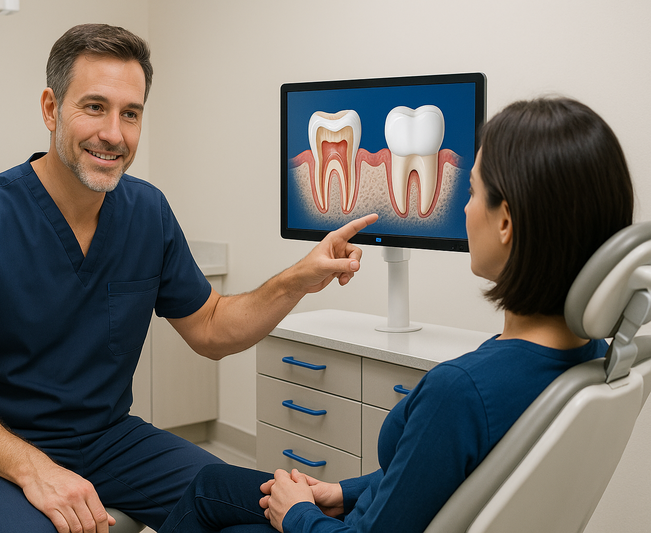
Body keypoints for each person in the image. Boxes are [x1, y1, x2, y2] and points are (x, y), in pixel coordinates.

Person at [0, 24, 378, 533]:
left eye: (130, 114)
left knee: (265, 510)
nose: (114, 133)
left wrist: (297, 280)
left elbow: (212, 329)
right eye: (94, 107)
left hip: (110, 440)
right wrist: (36, 470)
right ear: (50, 108)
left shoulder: (146, 211)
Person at [156, 96, 636, 533]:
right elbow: (423, 480)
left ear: (505, 221)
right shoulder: (592, 359)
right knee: (213, 481)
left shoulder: (460, 391)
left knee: (207, 496)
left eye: (469, 191)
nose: (465, 208)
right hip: (367, 513)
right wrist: (341, 493)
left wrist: (298, 514)